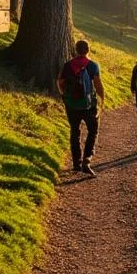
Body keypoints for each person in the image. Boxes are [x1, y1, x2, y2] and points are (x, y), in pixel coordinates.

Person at [57, 40, 105, 176]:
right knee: (93, 130)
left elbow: (59, 82)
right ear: (88, 50)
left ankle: (76, 163)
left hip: (71, 105)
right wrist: (102, 101)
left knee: (75, 131)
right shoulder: (92, 65)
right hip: (89, 106)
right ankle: (87, 160)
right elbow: (98, 85)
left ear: (76, 50)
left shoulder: (68, 65)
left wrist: (65, 96)